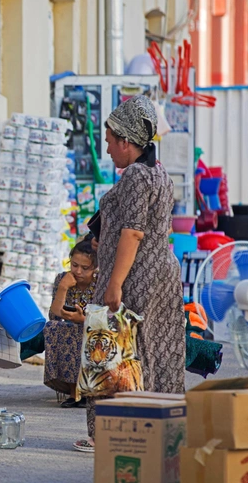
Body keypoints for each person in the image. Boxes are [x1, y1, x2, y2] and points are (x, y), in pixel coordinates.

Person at [74, 95, 185, 453]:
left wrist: (114, 283)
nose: (106, 148)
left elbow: (134, 231)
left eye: (109, 140)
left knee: (117, 350)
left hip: (138, 275)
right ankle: (159, 427)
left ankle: (114, 431)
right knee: (154, 349)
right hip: (160, 273)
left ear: (126, 140)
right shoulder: (158, 171)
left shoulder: (138, 174)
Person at [44, 240, 98, 408]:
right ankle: (73, 390)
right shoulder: (63, 279)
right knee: (52, 328)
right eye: (74, 265)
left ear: (95, 268)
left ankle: (85, 391)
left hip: (96, 329)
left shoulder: (102, 282)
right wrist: (63, 288)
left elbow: (108, 317)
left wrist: (84, 320)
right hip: (70, 330)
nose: (78, 271)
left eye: (85, 268)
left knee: (80, 330)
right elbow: (54, 315)